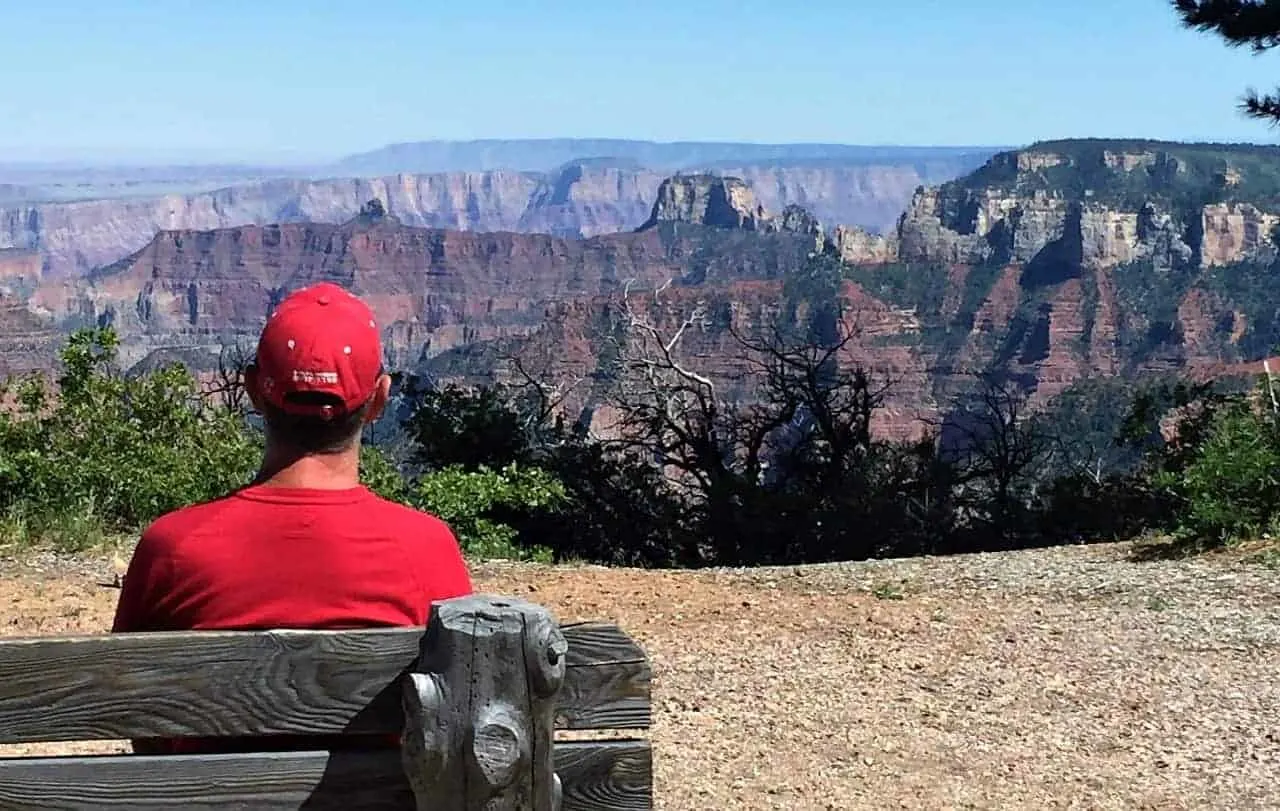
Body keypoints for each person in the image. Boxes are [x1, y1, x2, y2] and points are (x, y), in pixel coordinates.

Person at [111, 281, 473, 754]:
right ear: (380, 400)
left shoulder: (173, 546)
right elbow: (458, 708)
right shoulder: (426, 548)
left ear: (252, 393)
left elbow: (137, 717)